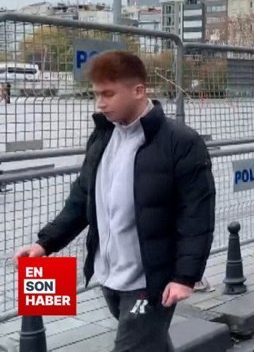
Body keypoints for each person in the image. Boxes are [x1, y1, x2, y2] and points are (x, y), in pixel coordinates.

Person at [14, 51, 216, 352]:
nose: (100, 103)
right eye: (96, 94)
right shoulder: (102, 137)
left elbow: (197, 215)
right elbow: (82, 198)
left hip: (150, 281)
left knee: (134, 345)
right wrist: (46, 243)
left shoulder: (181, 141)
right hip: (108, 276)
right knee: (150, 343)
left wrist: (185, 277)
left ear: (138, 91)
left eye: (108, 94)